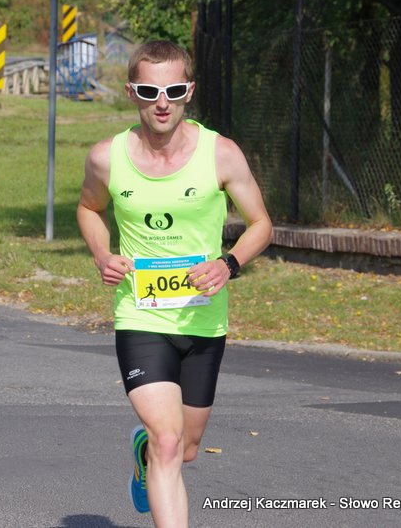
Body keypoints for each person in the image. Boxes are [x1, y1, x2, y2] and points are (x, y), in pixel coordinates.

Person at [76, 40, 272, 527]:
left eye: (173, 90)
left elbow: (262, 224)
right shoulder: (106, 158)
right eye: (149, 91)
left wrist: (228, 264)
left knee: (184, 448)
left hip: (202, 320)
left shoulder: (221, 154)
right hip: (140, 315)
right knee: (168, 440)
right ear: (132, 93)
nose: (161, 102)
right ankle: (154, 448)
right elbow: (88, 208)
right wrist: (102, 254)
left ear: (189, 91)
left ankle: (143, 452)